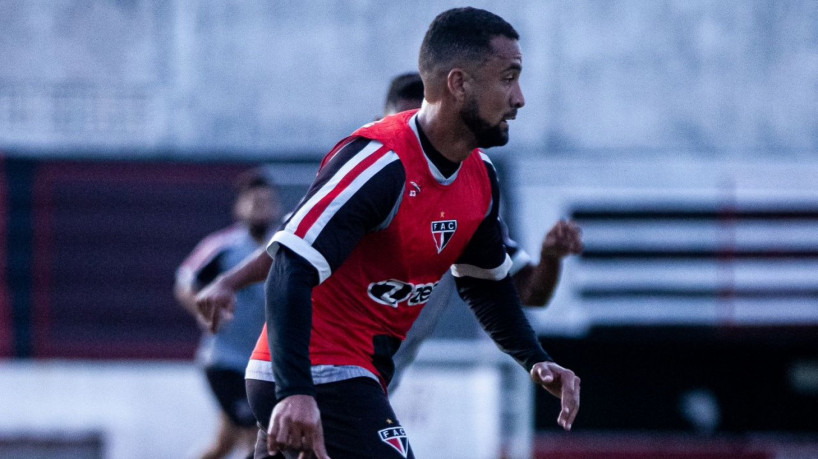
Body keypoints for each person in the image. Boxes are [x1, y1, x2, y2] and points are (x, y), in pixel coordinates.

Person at [199, 8, 581, 458]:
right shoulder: (381, 163)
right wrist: (295, 391)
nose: (519, 98)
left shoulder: (480, 177)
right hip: (320, 373)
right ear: (458, 84)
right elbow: (289, 263)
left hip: (350, 377)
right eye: (508, 78)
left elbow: (487, 286)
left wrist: (535, 359)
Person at [381, 71, 583, 392]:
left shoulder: (463, 200)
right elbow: (290, 262)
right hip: (317, 378)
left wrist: (550, 258)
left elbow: (522, 293)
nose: (416, 143)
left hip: (371, 387)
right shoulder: (364, 185)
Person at [174, 169, 281, 459]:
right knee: (256, 439)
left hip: (262, 365)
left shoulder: (283, 245)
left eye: (267, 202)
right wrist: (203, 308)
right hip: (226, 363)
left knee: (223, 445)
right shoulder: (223, 247)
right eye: (254, 202)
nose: (262, 208)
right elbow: (185, 281)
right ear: (239, 207)